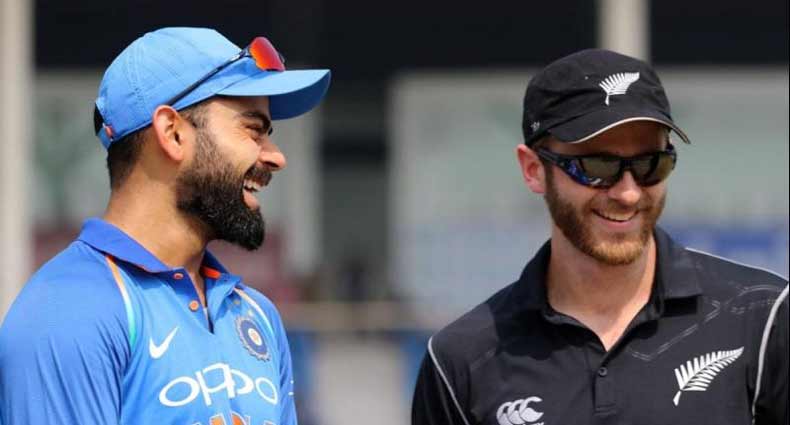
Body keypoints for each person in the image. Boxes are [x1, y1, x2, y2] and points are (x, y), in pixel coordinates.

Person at [411, 49, 787, 425]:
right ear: (533, 169)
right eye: (597, 166)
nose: (628, 193)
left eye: (650, 164)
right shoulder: (460, 360)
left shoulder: (763, 316)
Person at [0, 27, 330, 425]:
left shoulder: (258, 315)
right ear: (172, 133)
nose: (276, 157)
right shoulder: (68, 312)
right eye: (253, 130)